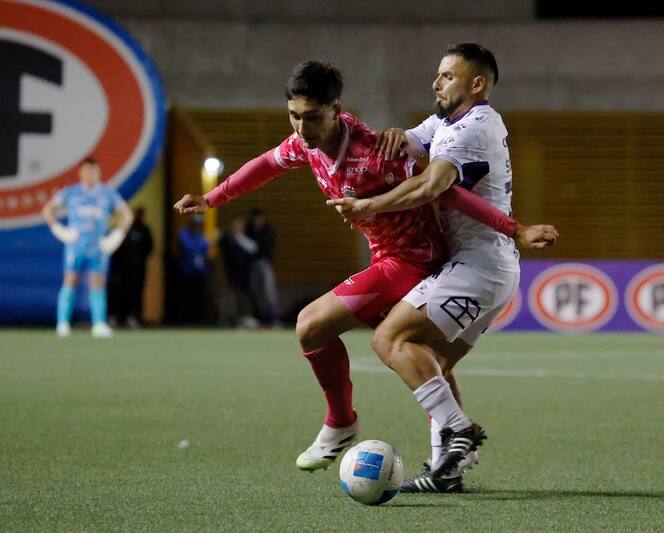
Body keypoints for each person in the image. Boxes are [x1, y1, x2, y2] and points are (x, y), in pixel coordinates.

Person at [173, 60, 554, 473]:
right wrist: (214, 199)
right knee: (428, 360)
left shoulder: (374, 153)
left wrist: (513, 228)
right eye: (294, 116)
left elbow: (444, 192)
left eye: (312, 117)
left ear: (336, 109)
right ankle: (454, 457)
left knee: (310, 324)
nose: (302, 129)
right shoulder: (305, 143)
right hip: (388, 257)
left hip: (413, 258)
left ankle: (342, 424)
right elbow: (266, 163)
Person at [328, 43, 558, 493]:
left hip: (479, 267)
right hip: (491, 268)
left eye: (448, 76)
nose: (436, 83)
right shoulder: (450, 121)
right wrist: (397, 135)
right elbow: (410, 142)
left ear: (477, 84)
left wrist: (368, 205)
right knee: (432, 364)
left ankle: (459, 431)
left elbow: (430, 186)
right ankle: (445, 471)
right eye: (437, 75)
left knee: (389, 338)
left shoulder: (469, 129)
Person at [41, 157, 133, 338]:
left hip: (98, 246)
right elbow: (47, 209)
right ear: (81, 173)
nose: (90, 175)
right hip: (76, 244)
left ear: (98, 172)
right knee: (70, 280)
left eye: (93, 171)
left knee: (97, 284)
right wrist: (58, 229)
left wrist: (117, 236)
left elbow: (127, 215)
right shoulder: (71, 193)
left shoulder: (108, 194)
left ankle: (98, 324)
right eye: (87, 171)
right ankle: (63, 324)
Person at [110, 206, 153, 328]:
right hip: (121, 270)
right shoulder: (122, 231)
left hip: (138, 270)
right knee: (119, 293)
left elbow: (149, 248)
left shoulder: (144, 230)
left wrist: (139, 261)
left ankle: (134, 317)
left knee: (136, 294)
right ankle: (117, 317)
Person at [219, 216, 260, 328]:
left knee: (245, 299)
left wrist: (238, 238)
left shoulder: (246, 240)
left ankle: (246, 319)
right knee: (231, 300)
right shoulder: (227, 239)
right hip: (232, 276)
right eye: (234, 226)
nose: (236, 228)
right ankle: (231, 321)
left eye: (238, 226)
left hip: (245, 277)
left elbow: (253, 249)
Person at [246, 208, 282, 326]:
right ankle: (258, 317)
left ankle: (274, 318)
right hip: (253, 264)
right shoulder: (249, 230)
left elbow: (264, 247)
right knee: (254, 290)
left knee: (269, 290)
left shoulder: (268, 230)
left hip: (265, 263)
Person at [176, 215, 211, 325]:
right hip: (186, 270)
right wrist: (198, 245)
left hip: (199, 271)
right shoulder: (184, 233)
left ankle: (197, 319)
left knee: (199, 297)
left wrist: (199, 245)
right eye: (196, 224)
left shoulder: (201, 234)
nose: (198, 226)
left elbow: (206, 246)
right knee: (185, 296)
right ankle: (184, 319)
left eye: (200, 224)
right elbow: (188, 247)